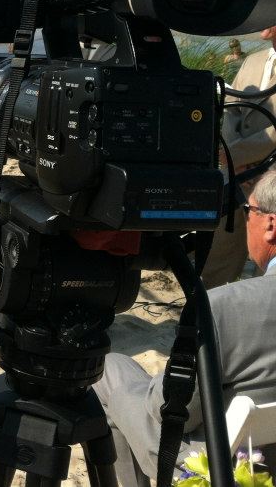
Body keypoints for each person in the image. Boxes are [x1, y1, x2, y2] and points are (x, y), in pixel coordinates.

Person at [94, 168, 276, 487]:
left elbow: (172, 412)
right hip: (265, 452)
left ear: (271, 226)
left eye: (249, 210)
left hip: (220, 465)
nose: (245, 218)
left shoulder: (220, 307)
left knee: (110, 369)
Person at [203, 26, 276, 288]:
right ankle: (207, 317)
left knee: (269, 266)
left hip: (271, 181)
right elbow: (232, 108)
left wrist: (238, 155)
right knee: (219, 256)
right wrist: (232, 158)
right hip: (236, 177)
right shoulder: (253, 61)